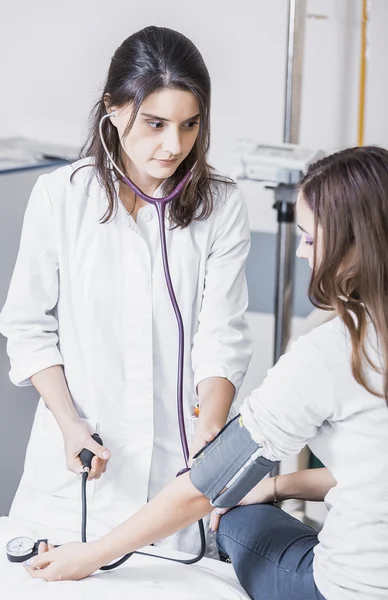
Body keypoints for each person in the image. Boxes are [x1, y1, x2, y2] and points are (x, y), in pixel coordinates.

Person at [25, 146, 388, 600]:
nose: (299, 251)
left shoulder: (333, 351)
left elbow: (206, 489)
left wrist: (92, 554)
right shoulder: (61, 193)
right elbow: (373, 470)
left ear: (357, 245)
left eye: (311, 239)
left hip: (349, 590)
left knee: (234, 514)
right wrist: (276, 485)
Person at [0, 26, 252, 557]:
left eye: (189, 125)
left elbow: (221, 336)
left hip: (174, 479)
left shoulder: (222, 206)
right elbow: (27, 327)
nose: (174, 146)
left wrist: (210, 433)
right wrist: (70, 425)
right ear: (113, 111)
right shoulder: (60, 197)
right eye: (155, 123)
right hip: (74, 478)